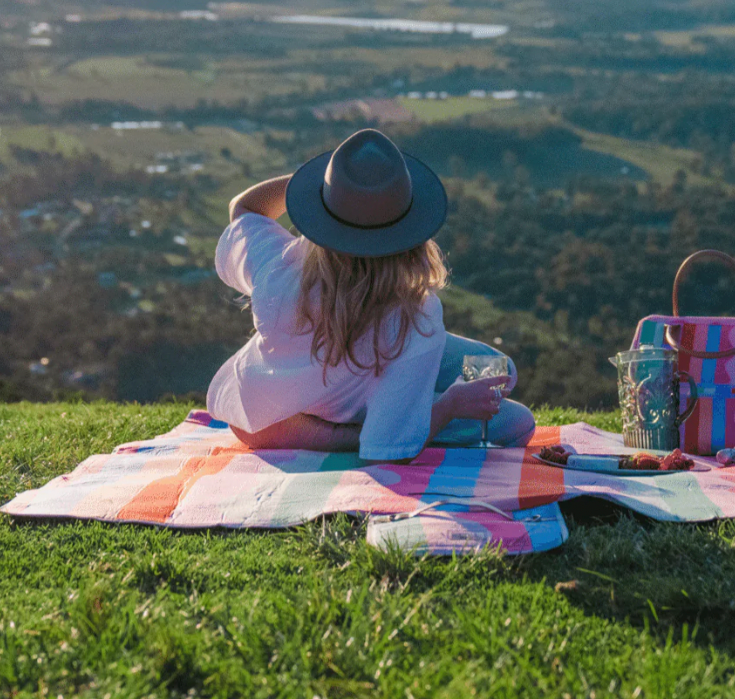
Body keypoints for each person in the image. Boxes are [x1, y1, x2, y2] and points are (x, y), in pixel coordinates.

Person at [206, 128, 535, 461]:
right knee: (517, 422)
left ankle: (307, 428)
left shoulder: (281, 267)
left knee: (501, 371)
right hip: (357, 399)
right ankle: (360, 425)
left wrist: (337, 187)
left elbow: (244, 207)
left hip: (280, 395)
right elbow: (389, 452)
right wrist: (450, 405)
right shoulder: (414, 321)